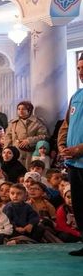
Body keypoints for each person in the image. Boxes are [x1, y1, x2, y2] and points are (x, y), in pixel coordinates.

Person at [58, 57, 83, 255]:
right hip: (74, 163)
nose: (80, 72)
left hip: (80, 156)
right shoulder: (76, 95)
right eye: (78, 68)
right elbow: (66, 125)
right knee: (79, 203)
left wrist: (79, 148)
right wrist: (61, 145)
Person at [4, 101, 48, 169]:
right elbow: (8, 137)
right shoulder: (13, 123)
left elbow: (44, 136)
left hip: (31, 153)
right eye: (19, 109)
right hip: (16, 153)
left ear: (29, 110)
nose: (20, 111)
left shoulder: (37, 122)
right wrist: (5, 151)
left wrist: (29, 140)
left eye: (23, 109)